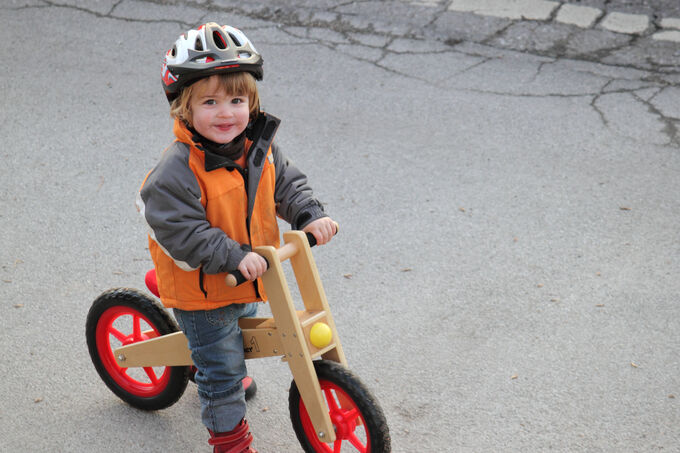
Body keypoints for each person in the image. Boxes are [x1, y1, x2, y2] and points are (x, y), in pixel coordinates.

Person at [136, 22, 336, 453]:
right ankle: (230, 441)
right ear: (184, 109)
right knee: (224, 373)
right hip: (206, 290)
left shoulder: (258, 149)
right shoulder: (174, 173)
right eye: (210, 102)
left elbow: (288, 185)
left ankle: (207, 358)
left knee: (235, 337)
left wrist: (309, 214)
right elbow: (185, 232)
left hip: (248, 276)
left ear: (253, 102)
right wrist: (232, 256)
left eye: (237, 100)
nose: (226, 113)